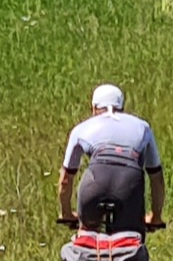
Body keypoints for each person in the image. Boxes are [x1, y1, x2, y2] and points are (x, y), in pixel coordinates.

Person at [57, 83, 165, 235]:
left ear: (94, 108)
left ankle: (84, 242)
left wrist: (66, 214)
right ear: (122, 108)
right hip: (130, 184)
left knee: (86, 234)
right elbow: (156, 177)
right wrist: (156, 217)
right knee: (132, 237)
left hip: (93, 184)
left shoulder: (81, 129)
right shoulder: (143, 127)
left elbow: (66, 179)